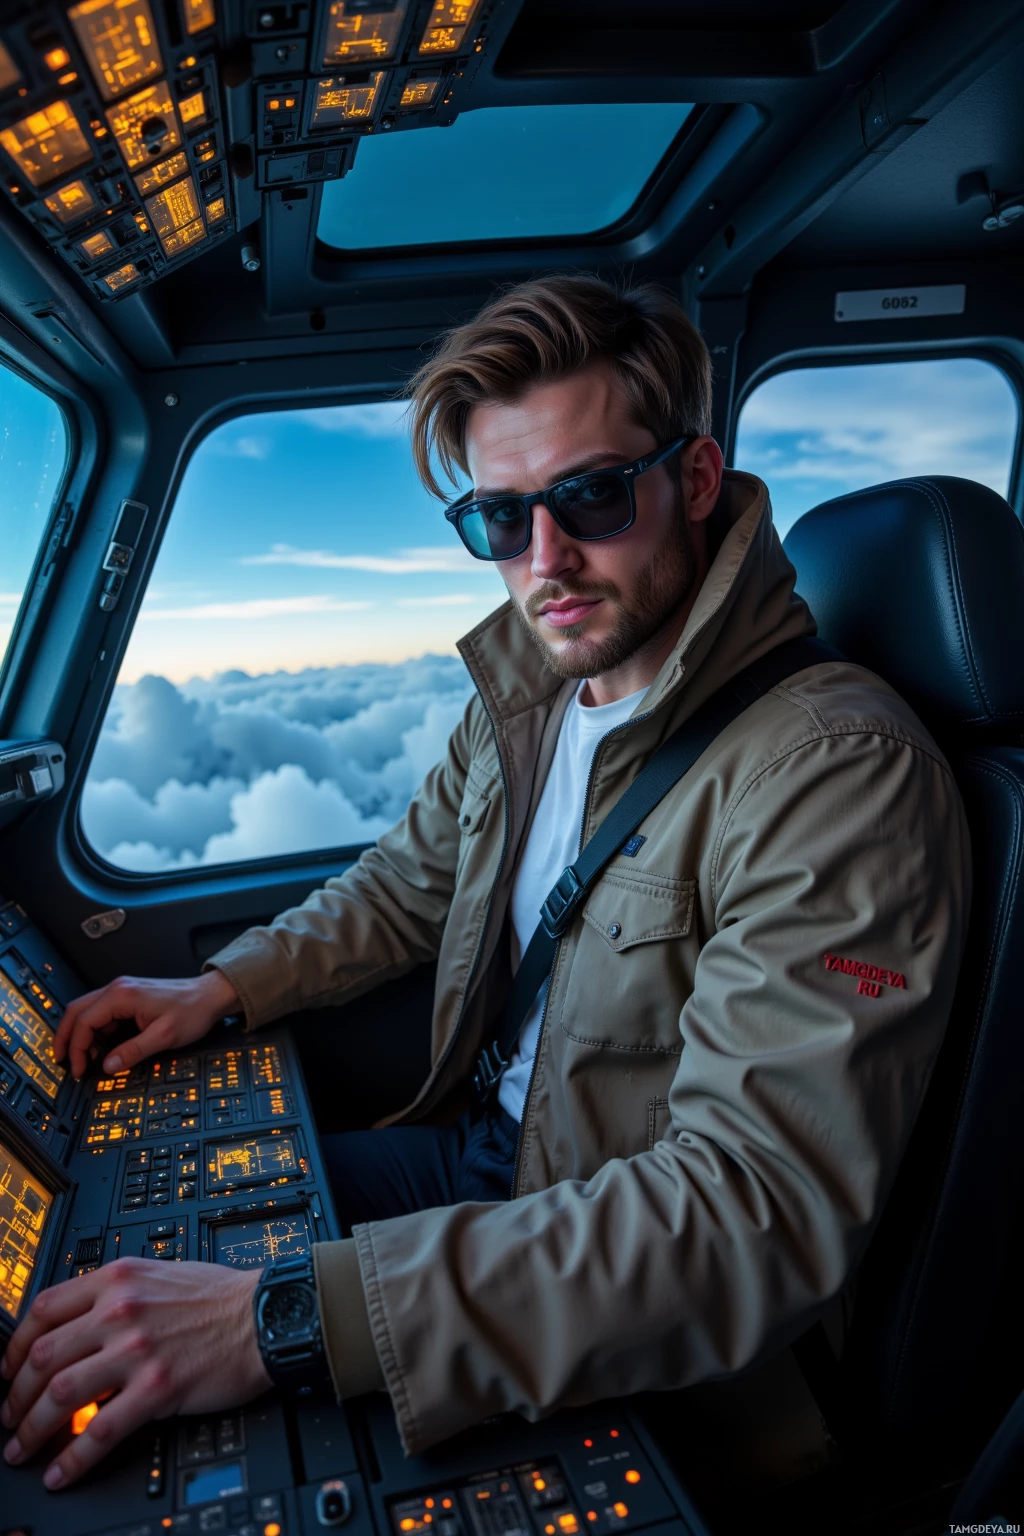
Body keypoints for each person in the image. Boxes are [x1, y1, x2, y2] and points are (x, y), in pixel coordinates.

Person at [1, 275, 970, 1495]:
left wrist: (279, 1321)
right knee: (92, 1287)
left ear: (695, 479)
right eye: (501, 519)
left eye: (592, 496)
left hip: (634, 1289)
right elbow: (409, 881)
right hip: (490, 1162)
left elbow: (746, 1218)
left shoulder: (835, 773)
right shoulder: (539, 695)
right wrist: (222, 988)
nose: (544, 560)